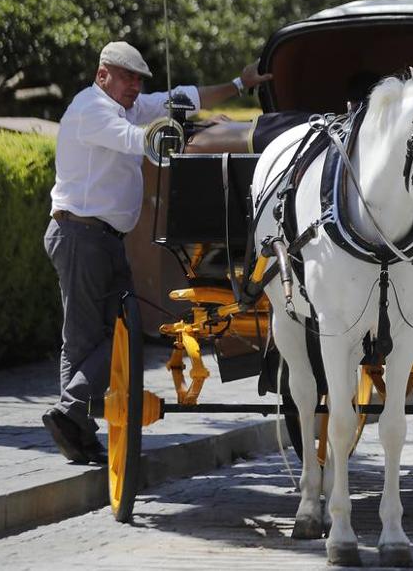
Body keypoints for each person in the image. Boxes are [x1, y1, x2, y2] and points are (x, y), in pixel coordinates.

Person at [42, 41, 272, 464]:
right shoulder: (90, 110)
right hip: (80, 235)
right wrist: (200, 132)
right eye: (126, 76)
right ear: (102, 75)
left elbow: (181, 98)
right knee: (115, 334)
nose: (134, 85)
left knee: (84, 341)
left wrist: (241, 83)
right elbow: (139, 141)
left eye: (138, 79)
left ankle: (74, 430)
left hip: (102, 237)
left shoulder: (127, 105)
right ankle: (72, 410)